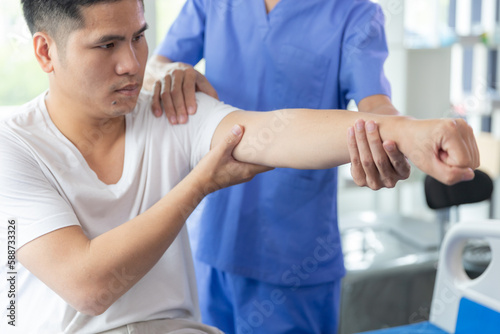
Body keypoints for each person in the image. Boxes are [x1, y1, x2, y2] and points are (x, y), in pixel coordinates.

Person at [0, 0, 479, 333]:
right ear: (46, 52)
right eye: (107, 45)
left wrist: (408, 134)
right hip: (216, 243)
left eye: (138, 38)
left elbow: (274, 128)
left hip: (293, 247)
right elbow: (161, 70)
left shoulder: (353, 14)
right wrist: (173, 81)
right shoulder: (19, 143)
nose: (130, 62)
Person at [145, 0, 411, 332]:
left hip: (292, 256)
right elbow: (154, 66)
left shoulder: (353, 12)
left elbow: (376, 105)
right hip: (209, 241)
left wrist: (407, 137)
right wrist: (167, 72)